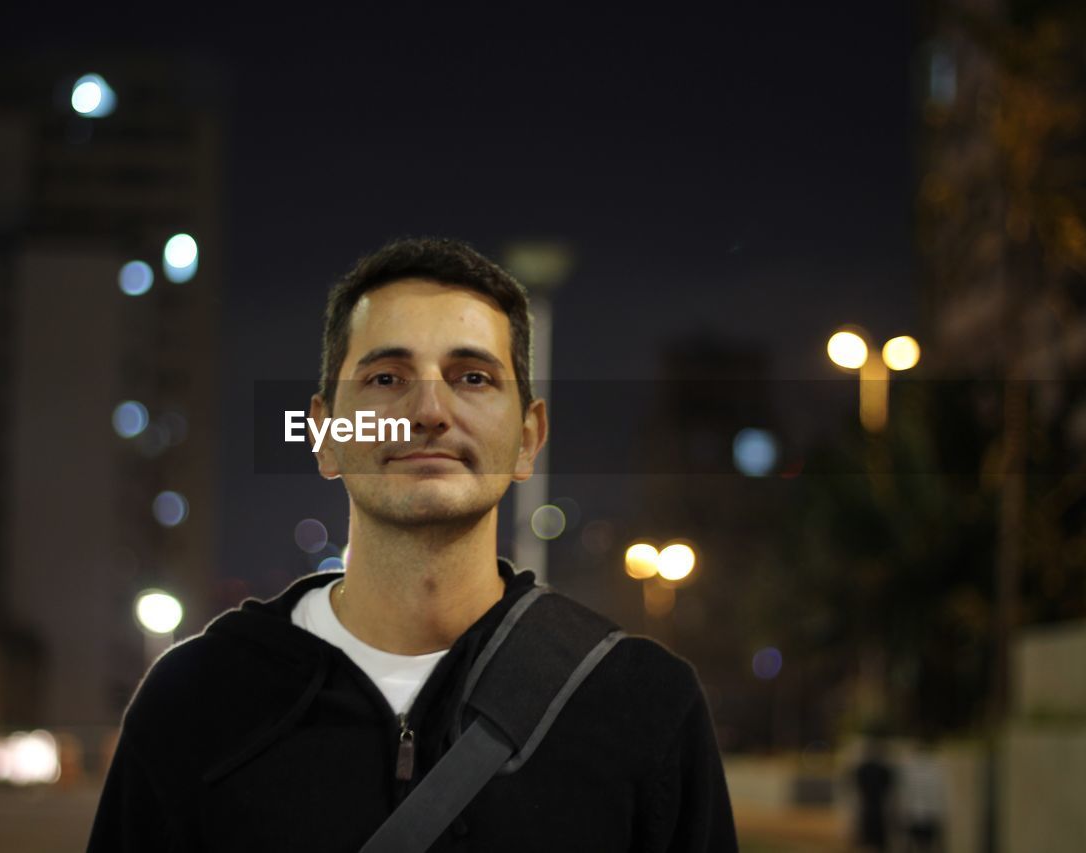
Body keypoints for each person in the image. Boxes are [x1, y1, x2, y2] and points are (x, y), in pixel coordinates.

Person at [88, 237, 739, 851]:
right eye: (386, 378)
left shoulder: (645, 705)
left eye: (473, 377)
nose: (429, 409)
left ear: (528, 440)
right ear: (324, 435)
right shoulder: (196, 698)